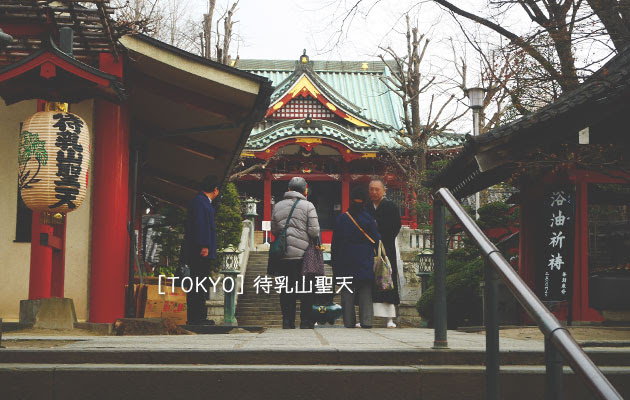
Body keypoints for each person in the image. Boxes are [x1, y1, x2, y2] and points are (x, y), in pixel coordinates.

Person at [271, 177, 320, 329]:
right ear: (305, 189)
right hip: (303, 255)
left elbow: (274, 230)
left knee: (286, 290)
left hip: (284, 256)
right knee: (307, 290)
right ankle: (306, 321)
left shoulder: (278, 206)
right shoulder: (308, 205)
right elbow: (314, 230)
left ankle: (287, 321)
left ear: (289, 189)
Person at [331, 187, 380, 328]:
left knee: (347, 292)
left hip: (345, 259)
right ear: (364, 202)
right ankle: (366, 321)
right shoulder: (369, 218)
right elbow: (376, 239)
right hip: (365, 258)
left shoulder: (342, 218)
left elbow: (335, 243)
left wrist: (335, 262)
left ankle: (349, 321)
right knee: (365, 292)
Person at [182, 175, 219, 325]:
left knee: (198, 283)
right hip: (199, 251)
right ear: (215, 190)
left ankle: (197, 316)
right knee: (199, 283)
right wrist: (204, 245)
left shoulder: (199, 202)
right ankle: (198, 317)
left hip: (196, 249)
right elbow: (201, 225)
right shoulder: (202, 203)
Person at [367, 178, 402, 328]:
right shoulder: (365, 206)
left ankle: (389, 318)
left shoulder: (390, 206)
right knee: (368, 281)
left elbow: (396, 226)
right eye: (372, 189)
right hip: (368, 248)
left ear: (384, 191)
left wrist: (379, 230)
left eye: (377, 189)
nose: (374, 192)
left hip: (386, 248)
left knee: (387, 280)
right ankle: (366, 315)